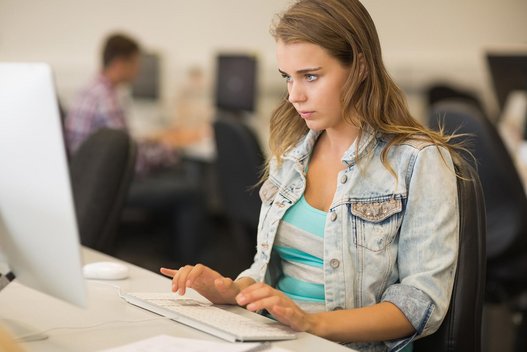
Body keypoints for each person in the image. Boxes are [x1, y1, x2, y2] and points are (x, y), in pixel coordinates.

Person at [160, 1, 460, 351]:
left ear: (360, 67)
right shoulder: (290, 156)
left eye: (311, 76)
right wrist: (231, 291)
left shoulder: (419, 160)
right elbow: (267, 270)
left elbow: (421, 304)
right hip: (271, 336)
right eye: (287, 77)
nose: (294, 95)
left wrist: (311, 323)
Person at [65, 33, 206, 262]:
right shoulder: (107, 100)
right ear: (121, 64)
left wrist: (157, 141)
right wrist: (171, 147)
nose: (138, 71)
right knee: (191, 189)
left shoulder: (91, 90)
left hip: (85, 182)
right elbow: (134, 163)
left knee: (176, 174)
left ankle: (166, 252)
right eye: (136, 64)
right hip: (107, 187)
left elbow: (122, 146)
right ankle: (191, 264)